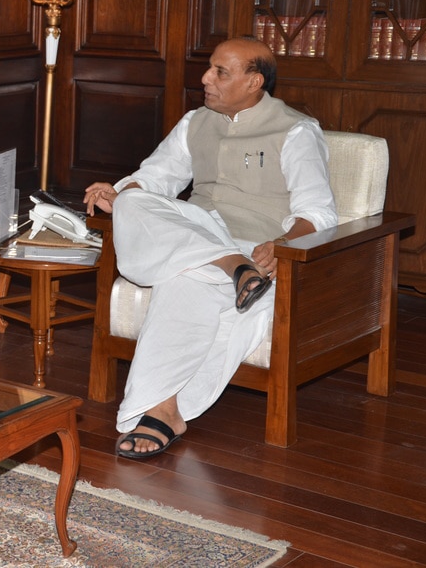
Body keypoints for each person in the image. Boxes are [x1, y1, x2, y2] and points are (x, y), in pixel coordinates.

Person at [83, 36, 337, 459]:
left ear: (254, 81)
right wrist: (119, 192)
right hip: (200, 232)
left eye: (220, 72)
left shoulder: (295, 130)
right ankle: (228, 265)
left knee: (183, 279)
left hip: (252, 244)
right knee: (133, 198)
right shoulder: (194, 122)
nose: (205, 78)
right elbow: (155, 178)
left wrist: (284, 243)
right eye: (210, 68)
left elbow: (319, 212)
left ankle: (164, 409)